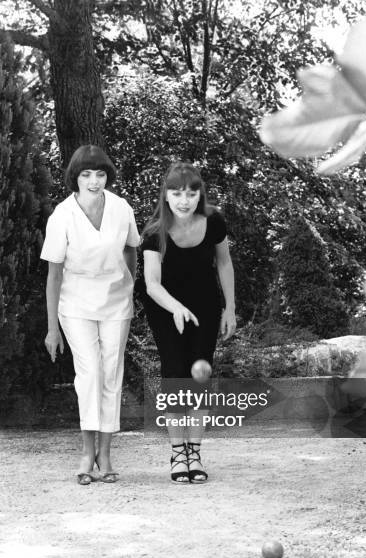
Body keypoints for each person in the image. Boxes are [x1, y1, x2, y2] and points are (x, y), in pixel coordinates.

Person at [41, 144, 140, 485]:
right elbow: (54, 276)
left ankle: (107, 454)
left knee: (111, 372)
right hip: (76, 305)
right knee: (90, 374)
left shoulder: (121, 208)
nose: (94, 181)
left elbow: (131, 250)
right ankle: (87, 451)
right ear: (76, 178)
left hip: (116, 304)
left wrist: (128, 288)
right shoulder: (62, 215)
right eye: (86, 174)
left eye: (100, 174)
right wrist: (52, 329)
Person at [141, 161, 236, 484]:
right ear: (166, 196)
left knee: (199, 376)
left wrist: (230, 308)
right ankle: (177, 452)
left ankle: (194, 452)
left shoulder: (214, 221)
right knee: (174, 374)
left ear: (199, 195)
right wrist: (176, 308)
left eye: (191, 193)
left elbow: (224, 263)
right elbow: (152, 284)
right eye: (177, 193)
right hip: (165, 309)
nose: (184, 200)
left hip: (206, 306)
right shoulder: (154, 232)